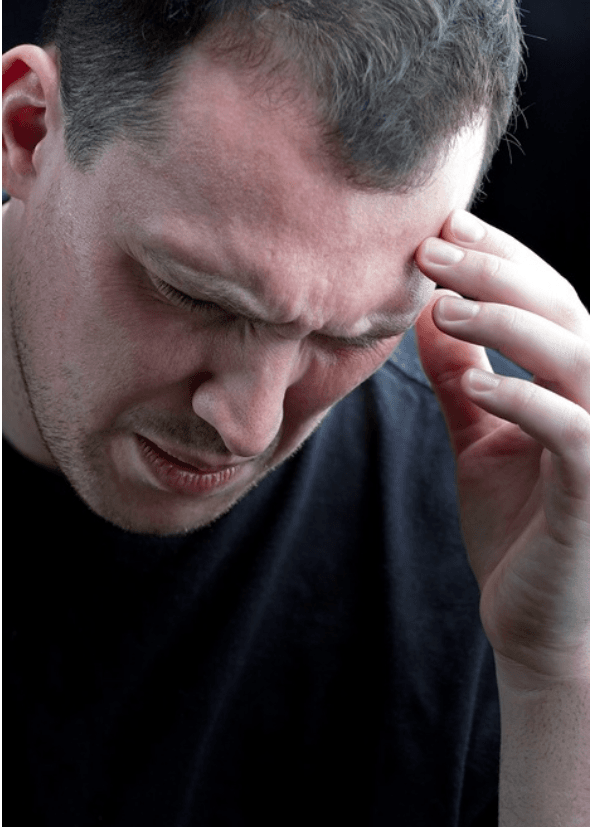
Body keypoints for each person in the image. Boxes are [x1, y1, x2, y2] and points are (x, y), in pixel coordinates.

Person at [3, 1, 588, 824]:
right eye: (196, 294)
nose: (248, 423)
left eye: (360, 334)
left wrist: (556, 677)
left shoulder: (521, 522)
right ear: (28, 131)